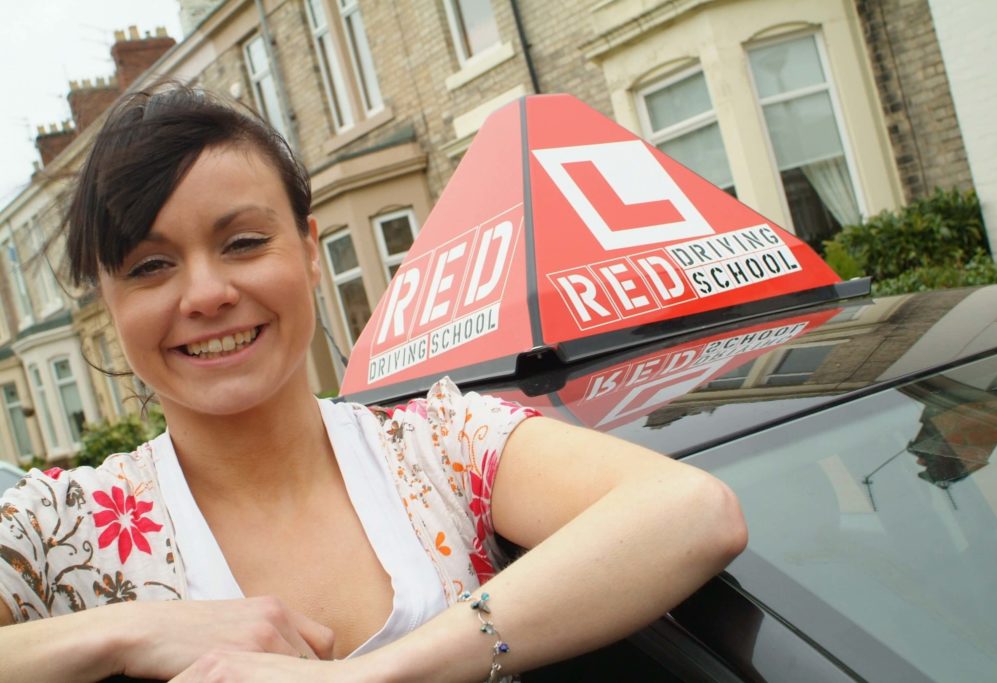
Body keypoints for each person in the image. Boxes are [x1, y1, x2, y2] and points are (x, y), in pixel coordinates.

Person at [0, 84, 747, 683]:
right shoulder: (61, 534)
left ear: (309, 247)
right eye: (150, 265)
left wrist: (382, 673)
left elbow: (694, 511)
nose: (205, 293)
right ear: (108, 299)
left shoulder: (438, 446)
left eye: (244, 243)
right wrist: (126, 631)